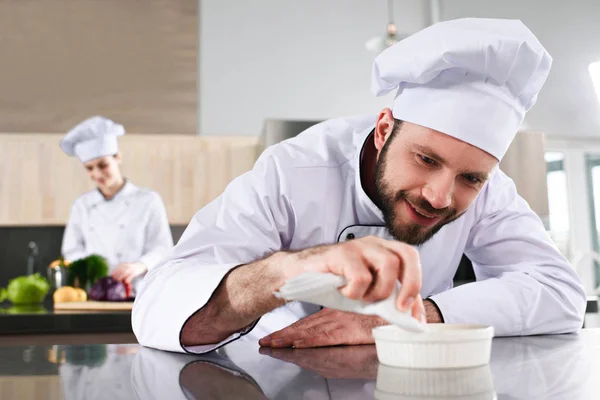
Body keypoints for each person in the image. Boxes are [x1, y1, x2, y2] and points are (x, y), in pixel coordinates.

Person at [132, 18, 586, 354]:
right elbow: (160, 305)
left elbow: (560, 293)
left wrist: (412, 317)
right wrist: (289, 270)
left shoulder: (490, 189)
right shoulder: (292, 172)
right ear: (384, 128)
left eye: (470, 177)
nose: (440, 196)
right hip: (281, 372)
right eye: (426, 159)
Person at [60, 116, 173, 293]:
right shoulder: (81, 205)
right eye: (89, 168)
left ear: (118, 157)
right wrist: (92, 269)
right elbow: (72, 251)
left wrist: (140, 265)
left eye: (103, 165)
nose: (97, 174)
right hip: (95, 292)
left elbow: (162, 248)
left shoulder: (148, 200)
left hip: (138, 291)